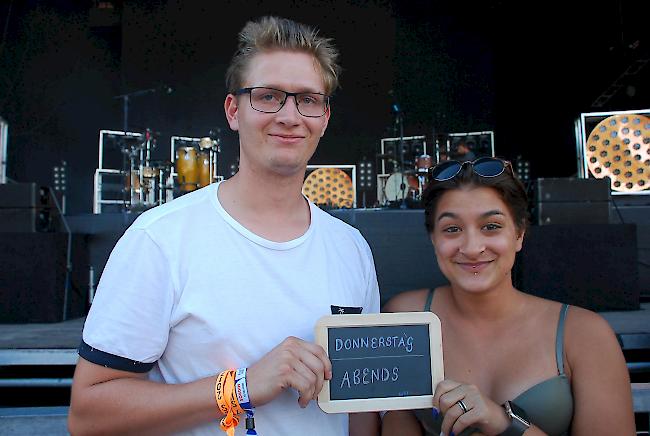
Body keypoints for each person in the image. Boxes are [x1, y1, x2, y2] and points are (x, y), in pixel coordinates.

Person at [68, 16, 380, 436]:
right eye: (268, 96)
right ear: (234, 111)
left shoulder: (352, 249)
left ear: (324, 117)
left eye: (307, 99)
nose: (290, 115)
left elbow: (361, 410)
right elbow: (89, 414)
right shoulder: (159, 240)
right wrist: (241, 387)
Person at [381, 157, 634, 436]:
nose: (472, 247)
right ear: (433, 239)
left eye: (491, 226)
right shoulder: (405, 318)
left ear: (519, 234)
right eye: (452, 229)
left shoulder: (585, 334)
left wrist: (503, 422)